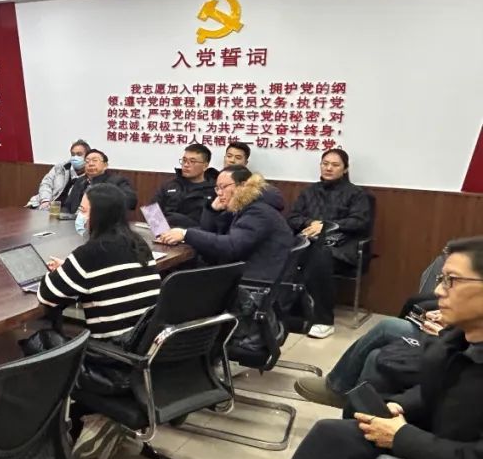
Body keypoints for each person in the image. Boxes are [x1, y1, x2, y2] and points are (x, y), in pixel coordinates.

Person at [198, 236, 483, 459]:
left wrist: (401, 437)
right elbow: (434, 391)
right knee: (333, 436)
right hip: (440, 447)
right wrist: (401, 408)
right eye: (442, 279)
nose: (439, 291)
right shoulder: (461, 341)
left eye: (452, 281)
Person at [39, 183, 162, 459]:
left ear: (100, 215)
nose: (79, 216)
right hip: (146, 351)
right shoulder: (138, 244)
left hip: (113, 363)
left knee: (41, 342)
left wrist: (64, 270)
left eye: (84, 211)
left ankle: (56, 430)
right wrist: (72, 269)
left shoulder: (90, 254)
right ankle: (98, 418)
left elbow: (47, 295)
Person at [295, 249, 448, 406]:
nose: (439, 290)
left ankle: (337, 389)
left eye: (449, 281)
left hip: (450, 343)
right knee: (376, 353)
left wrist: (448, 332)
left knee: (387, 329)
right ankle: (347, 397)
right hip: (448, 332)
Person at [287, 148, 372, 339]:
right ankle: (293, 313)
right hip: (308, 243)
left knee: (320, 256)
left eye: (335, 165)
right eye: (325, 164)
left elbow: (359, 222)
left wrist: (326, 226)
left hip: (342, 248)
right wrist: (311, 223)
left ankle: (323, 320)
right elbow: (292, 217)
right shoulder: (309, 191)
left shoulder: (357, 194)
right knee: (290, 253)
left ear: (345, 169)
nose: (328, 168)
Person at [159, 167, 293, 283]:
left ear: (243, 186)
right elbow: (211, 233)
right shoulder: (245, 206)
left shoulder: (258, 211)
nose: (219, 193)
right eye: (217, 188)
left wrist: (186, 234)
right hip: (246, 275)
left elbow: (231, 247)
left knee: (177, 282)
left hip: (256, 284)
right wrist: (212, 210)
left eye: (223, 187)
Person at [151, 143, 219, 228]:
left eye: (192, 161)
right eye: (184, 160)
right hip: (164, 232)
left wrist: (185, 232)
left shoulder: (214, 190)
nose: (186, 165)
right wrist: (162, 231)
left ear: (205, 166)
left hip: (194, 234)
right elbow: (151, 212)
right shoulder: (169, 185)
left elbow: (212, 224)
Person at [61, 149, 137, 214]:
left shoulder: (117, 181)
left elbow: (131, 202)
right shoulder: (80, 181)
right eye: (87, 161)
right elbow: (67, 206)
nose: (90, 164)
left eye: (95, 160)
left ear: (105, 165)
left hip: (102, 223)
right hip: (74, 221)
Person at [26, 139, 90, 209]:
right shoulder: (60, 168)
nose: (75, 157)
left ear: (87, 156)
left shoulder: (90, 176)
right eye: (73, 154)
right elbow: (46, 184)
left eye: (79, 154)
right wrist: (45, 200)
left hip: (67, 211)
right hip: (44, 204)